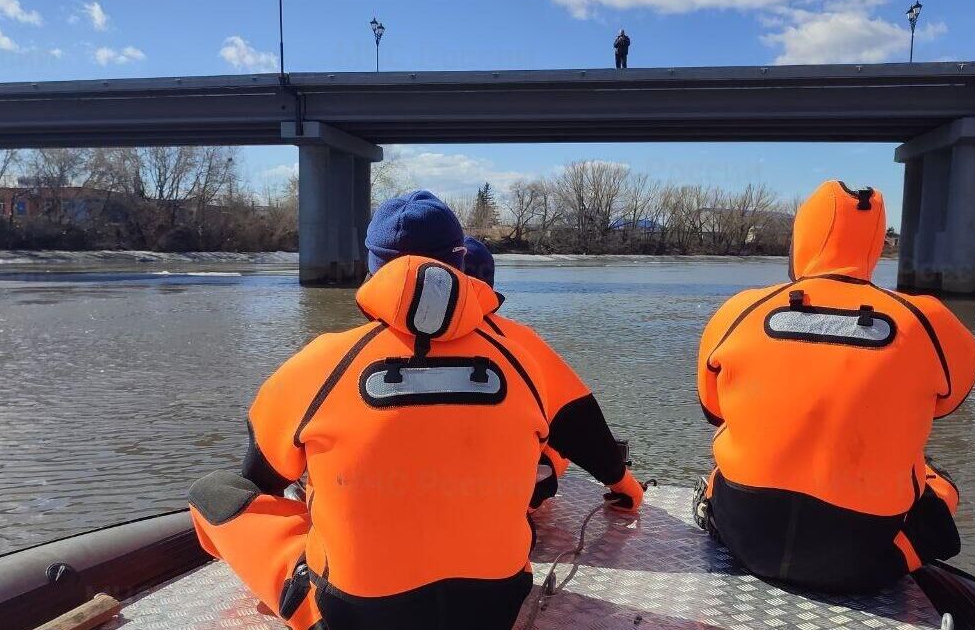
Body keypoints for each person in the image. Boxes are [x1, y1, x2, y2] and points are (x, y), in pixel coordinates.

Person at [188, 191, 644, 630]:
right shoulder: (525, 355)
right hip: (494, 609)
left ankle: (300, 597)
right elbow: (590, 438)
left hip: (352, 618)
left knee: (217, 490)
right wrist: (627, 488)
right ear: (462, 262)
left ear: (372, 271)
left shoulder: (319, 362)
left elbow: (260, 481)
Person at [693, 180, 975, 593]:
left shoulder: (739, 309)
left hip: (744, 537)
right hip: (861, 559)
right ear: (876, 242)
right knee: (939, 483)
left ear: (802, 238)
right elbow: (946, 403)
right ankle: (903, 553)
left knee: (730, 444)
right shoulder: (930, 321)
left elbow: (713, 409)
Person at [462, 237, 644, 511]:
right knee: (557, 444)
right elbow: (581, 424)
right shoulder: (518, 339)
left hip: (399, 493)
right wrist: (626, 487)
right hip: (500, 505)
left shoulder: (375, 339)